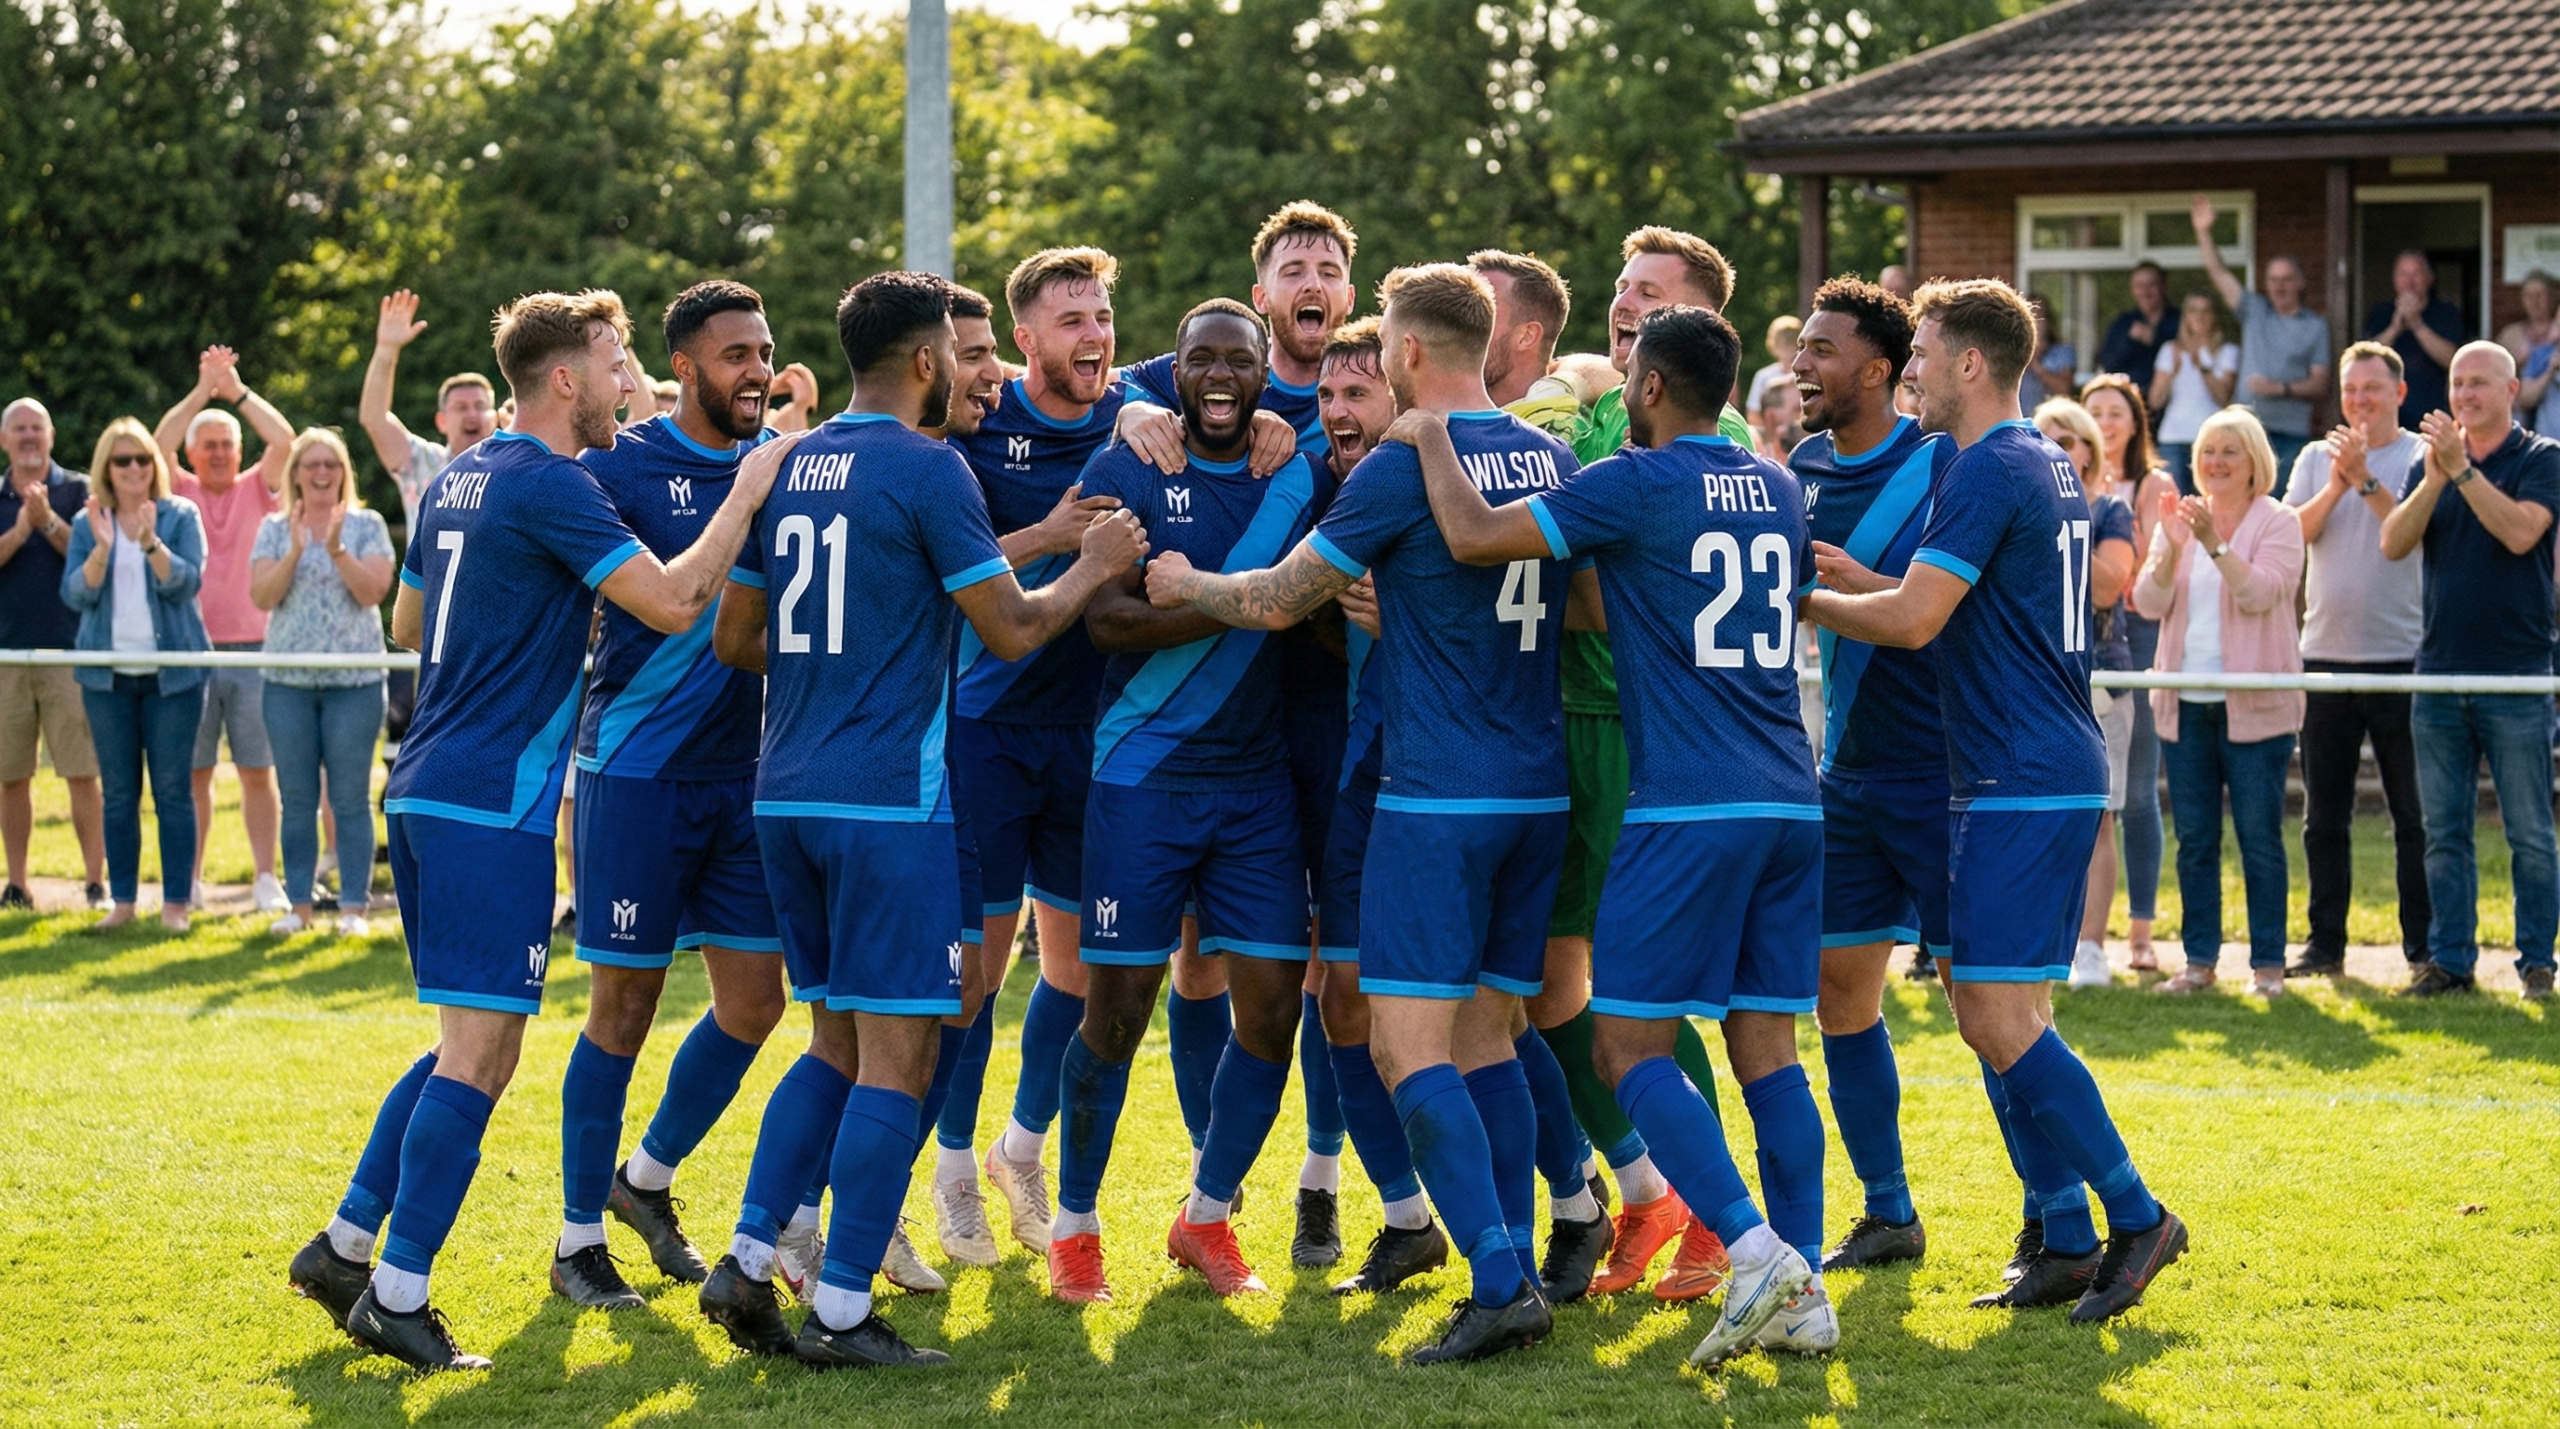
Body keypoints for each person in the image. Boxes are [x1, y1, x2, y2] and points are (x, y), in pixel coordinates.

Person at [284, 288, 792, 1372]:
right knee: (481, 1055)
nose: (627, 388)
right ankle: (400, 1293)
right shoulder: (554, 481)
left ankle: (343, 1246)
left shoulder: (460, 475)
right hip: (490, 801)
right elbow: (672, 599)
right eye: (613, 366)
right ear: (564, 380)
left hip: (424, 784)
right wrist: (746, 491)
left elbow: (412, 620)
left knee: (458, 1046)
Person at [697, 271, 1144, 1369]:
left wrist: (855, 645)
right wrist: (1092, 563)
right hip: (887, 804)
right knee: (901, 1054)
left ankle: (749, 1258)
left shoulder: (792, 460)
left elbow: (737, 638)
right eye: (961, 351)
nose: (973, 370)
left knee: (835, 1043)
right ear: (926, 361)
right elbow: (1012, 630)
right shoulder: (931, 465)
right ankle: (843, 1306)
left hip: (785, 793)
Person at [1149, 264, 1579, 1365]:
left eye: (1384, 340)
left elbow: (1281, 595)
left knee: (1401, 1043)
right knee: (1490, 1030)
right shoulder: (1548, 452)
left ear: (1410, 351)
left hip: (1438, 794)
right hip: (1535, 783)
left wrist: (1185, 580)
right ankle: (1518, 1258)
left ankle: (1492, 1275)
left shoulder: (1404, 456)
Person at [1404, 302, 1833, 1368]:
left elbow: (1472, 536)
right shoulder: (1775, 483)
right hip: (1789, 796)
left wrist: (1427, 438)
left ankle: (1751, 1250)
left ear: (1647, 385)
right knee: (1769, 1050)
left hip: (1688, 804)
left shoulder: (1631, 482)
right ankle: (1806, 1280)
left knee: (1623, 1045)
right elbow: (1634, 604)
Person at [1806, 277, 2187, 1323]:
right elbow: (1933, 600)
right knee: (1994, 1013)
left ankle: (2136, 1214)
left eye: (1921, 351)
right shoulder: (2031, 462)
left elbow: (1920, 619)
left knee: (1996, 1014)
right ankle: (2068, 1239)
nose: (1910, 370)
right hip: (2018, 770)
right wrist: (1849, 584)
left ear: (1970, 363)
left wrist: (1792, 594)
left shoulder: (1985, 467)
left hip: (2020, 773)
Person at [543, 279, 833, 1315]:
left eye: (764, 350)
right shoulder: (620, 464)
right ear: (682, 369)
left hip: (745, 776)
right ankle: (577, 1241)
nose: (755, 369)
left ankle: (646, 1178)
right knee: (620, 1007)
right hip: (633, 777)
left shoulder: (799, 467)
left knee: (756, 1001)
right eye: (733, 354)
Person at [1043, 300, 1324, 1304]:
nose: (1217, 376)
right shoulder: (1129, 469)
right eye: (1199, 359)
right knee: (1115, 1012)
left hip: (1255, 790)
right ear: (1176, 373)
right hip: (1139, 781)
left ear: (1261, 375)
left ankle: (1206, 1218)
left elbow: (1303, 602)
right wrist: (1227, 601)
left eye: (1235, 362)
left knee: (1274, 1009)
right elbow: (1105, 620)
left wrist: (1195, 588)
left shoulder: (1294, 472)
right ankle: (1074, 1228)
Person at [1557, 226, 1757, 1306]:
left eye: (1649, 293)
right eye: (1618, 287)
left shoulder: (1693, 437)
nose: (1623, 305)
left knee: (1642, 990)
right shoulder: (1592, 401)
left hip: (1641, 731)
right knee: (1552, 983)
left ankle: (1715, 1217)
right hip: (1557, 720)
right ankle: (1647, 1192)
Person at [1785, 276, 1950, 1277]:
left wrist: (1854, 583)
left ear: (1878, 370)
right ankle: (1887, 1210)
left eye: (1820, 350)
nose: (1800, 364)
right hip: (1844, 775)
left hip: (1943, 773)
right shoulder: (1798, 466)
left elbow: (1950, 612)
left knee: (1992, 1014)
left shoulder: (1944, 467)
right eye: (1800, 347)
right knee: (1836, 996)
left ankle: (2053, 1217)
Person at [1302, 317, 1453, 1296]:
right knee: (1339, 1002)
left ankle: (1581, 1199)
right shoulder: (1338, 483)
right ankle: (1405, 1216)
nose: (1337, 415)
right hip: (1365, 774)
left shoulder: (1439, 476)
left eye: (1356, 393)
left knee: (1489, 1019)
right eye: (1324, 397)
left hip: (1452, 785)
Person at [2381, 341, 2560, 1000]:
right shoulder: (2434, 463)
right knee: (2443, 832)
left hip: (2516, 675)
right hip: (2439, 674)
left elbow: (2520, 533)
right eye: (2458, 384)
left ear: (2512, 390)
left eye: (2479, 383)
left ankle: (2537, 961)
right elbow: (2394, 543)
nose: (2465, 395)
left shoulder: (2542, 460)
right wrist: (2434, 477)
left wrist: (2460, 474)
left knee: (2531, 832)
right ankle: (2450, 963)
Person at [2132, 407, 2305, 999]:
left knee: (2259, 839)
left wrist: (2213, 543)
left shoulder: (2279, 522)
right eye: (2207, 451)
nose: (2216, 462)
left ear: (2255, 460)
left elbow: (2262, 595)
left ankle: (2269, 968)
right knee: (2196, 842)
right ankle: (2199, 962)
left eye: (2229, 451)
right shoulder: (2178, 522)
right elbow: (2148, 604)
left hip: (2256, 709)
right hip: (2185, 705)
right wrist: (2175, 550)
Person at [2282, 343, 2430, 977]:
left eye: (2372, 389)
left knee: (2413, 818)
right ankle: (2325, 946)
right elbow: (2293, 536)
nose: (2360, 400)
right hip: (2325, 659)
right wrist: (2338, 481)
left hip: (2405, 660)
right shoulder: (2317, 458)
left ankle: (2425, 948)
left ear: (2399, 393)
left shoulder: (2424, 458)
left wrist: (2366, 481)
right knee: (2324, 818)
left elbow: (2408, 535)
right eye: (2350, 390)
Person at [153, 346, 293, 911]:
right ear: (193, 453)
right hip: (191, 651)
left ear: (240, 452)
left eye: (226, 445)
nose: (216, 454)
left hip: (256, 650)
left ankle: (265, 879)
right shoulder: (178, 493)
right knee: (195, 774)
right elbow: (157, 444)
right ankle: (190, 880)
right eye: (207, 445)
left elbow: (284, 440)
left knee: (259, 772)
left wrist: (234, 392)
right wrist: (200, 392)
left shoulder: (259, 488)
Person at [59, 419, 208, 933]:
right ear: (106, 467)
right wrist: (103, 547)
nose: (134, 469)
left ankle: (176, 905)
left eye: (143, 459)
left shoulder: (180, 515)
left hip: (174, 678)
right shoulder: (87, 523)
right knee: (120, 792)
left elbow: (187, 584)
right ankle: (122, 902)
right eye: (122, 460)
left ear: (155, 465)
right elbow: (75, 594)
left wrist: (149, 543)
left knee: (172, 790)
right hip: (108, 679)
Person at [248, 428, 392, 938]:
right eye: (311, 464)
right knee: (298, 798)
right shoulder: (272, 528)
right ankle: (300, 906)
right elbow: (262, 597)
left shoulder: (367, 525)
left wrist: (335, 550)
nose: (322, 472)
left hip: (353, 683)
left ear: (343, 472)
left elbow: (375, 591)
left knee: (350, 798)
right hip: (288, 682)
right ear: (296, 474)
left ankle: (354, 907)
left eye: (330, 463)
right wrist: (293, 552)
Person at [2032, 400, 2135, 991]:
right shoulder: (2019, 501)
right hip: (2035, 679)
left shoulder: (2111, 510)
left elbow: (2105, 587)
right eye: (2050, 437)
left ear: (2092, 452)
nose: (2063, 448)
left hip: (2098, 682)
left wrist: (2057, 525)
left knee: (2100, 820)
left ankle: (2092, 947)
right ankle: (2047, 943)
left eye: (2073, 439)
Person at [2081, 374, 2178, 970]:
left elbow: (2137, 567)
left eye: (2117, 411)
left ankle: (2140, 933)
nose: (2107, 421)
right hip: (2087, 637)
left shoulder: (2148, 485)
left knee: (2135, 793)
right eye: (2097, 411)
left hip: (2134, 636)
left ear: (2134, 422)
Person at [0, 397, 104, 909]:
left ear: (51, 436)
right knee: (11, 776)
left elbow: (89, 556)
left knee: (82, 772)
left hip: (70, 653)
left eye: (36, 428)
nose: (28, 437)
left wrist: (46, 522)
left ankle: (94, 882)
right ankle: (17, 883)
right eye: (18, 429)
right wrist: (20, 528)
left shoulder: (80, 491)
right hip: (5, 660)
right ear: (4, 440)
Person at [2190, 196, 2333, 479]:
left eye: (2286, 279)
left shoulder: (2315, 327)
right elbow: (2218, 273)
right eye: (2273, 280)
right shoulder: (2255, 311)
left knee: (2283, 505)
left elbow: (2320, 384)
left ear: (2301, 283)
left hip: (2291, 433)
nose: (2279, 286)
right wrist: (2203, 231)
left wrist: (2279, 388)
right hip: (2248, 430)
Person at [359, 291, 502, 540]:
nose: (472, 414)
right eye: (460, 407)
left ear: (495, 417)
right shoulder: (421, 462)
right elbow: (374, 418)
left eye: (480, 406)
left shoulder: (515, 468)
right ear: (441, 421)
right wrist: (386, 349)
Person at [2365, 250, 2466, 429]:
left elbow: (2451, 359)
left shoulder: (2446, 312)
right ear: (2394, 280)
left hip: (2433, 417)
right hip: (2387, 417)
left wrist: (2416, 324)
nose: (2409, 282)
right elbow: (2366, 361)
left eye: (2416, 274)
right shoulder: (2381, 312)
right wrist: (2394, 329)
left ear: (2429, 278)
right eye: (2403, 274)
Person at [2148, 293, 2238, 486]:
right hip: (2173, 438)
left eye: (2206, 311)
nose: (2200, 316)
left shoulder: (2227, 351)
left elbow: (2224, 399)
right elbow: (2154, 401)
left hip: (2211, 439)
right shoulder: (2170, 349)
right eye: (2193, 311)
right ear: (2185, 316)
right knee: (2172, 500)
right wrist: (2173, 371)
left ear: (2215, 316)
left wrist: (2204, 365)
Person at [2097, 261, 2178, 386]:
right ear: (2132, 289)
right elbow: (2108, 364)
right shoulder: (2122, 323)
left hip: (2172, 396)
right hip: (2131, 397)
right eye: (2139, 286)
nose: (2146, 291)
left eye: (2152, 285)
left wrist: (2156, 340)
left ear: (2164, 286)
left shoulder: (2180, 320)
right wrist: (2130, 341)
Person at [2501, 271, 2560, 436]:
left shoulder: (2557, 332)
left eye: (2540, 295)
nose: (2534, 301)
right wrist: (2514, 366)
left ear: (2551, 297)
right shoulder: (2511, 334)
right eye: (2528, 295)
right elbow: (2493, 374)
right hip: (2520, 419)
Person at [2024, 296, 2078, 405]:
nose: (2034, 322)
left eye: (2038, 316)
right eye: (2028, 316)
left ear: (2048, 320)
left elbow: (2065, 390)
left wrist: (2036, 365)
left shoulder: (2063, 351)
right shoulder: (2011, 352)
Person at [1747, 315, 1802, 416]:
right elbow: (1753, 415)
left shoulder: (1806, 375)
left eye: (1792, 343)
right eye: (1783, 344)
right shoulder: (1763, 376)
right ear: (1774, 346)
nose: (1788, 350)